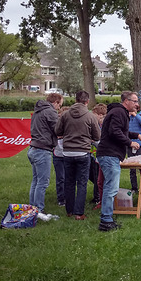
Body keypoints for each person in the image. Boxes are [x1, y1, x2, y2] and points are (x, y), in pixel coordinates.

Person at [96, 91, 141, 232]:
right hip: (109, 154)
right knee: (111, 188)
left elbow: (121, 131)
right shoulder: (119, 112)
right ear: (126, 101)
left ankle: (107, 218)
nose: (137, 105)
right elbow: (115, 132)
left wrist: (137, 135)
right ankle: (106, 221)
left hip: (110, 154)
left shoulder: (120, 112)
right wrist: (130, 142)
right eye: (135, 101)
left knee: (110, 187)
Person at [55, 91, 100, 220]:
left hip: (67, 152)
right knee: (82, 183)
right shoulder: (90, 116)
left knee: (69, 182)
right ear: (87, 101)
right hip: (83, 152)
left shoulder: (65, 115)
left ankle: (69, 210)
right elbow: (97, 136)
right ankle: (79, 213)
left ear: (75, 100)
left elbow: (57, 131)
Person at [28, 92, 63, 213]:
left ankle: (32, 208)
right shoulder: (50, 111)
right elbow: (58, 129)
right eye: (59, 105)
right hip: (43, 150)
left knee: (36, 181)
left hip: (33, 148)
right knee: (42, 183)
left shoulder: (38, 110)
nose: (59, 109)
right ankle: (38, 210)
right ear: (55, 102)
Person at [127, 101, 141, 193]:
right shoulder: (126, 117)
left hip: (139, 144)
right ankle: (134, 187)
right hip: (129, 143)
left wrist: (136, 115)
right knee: (132, 168)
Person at [52, 107, 68, 208]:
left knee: (69, 177)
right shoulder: (56, 125)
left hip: (68, 154)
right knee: (60, 177)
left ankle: (68, 196)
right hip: (58, 154)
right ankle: (61, 198)